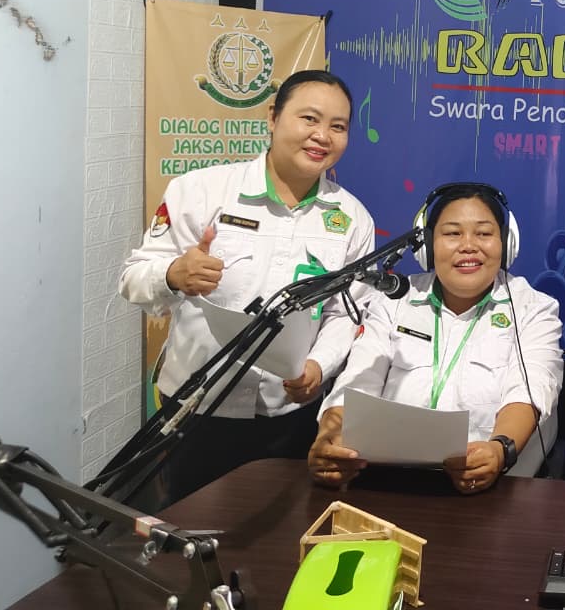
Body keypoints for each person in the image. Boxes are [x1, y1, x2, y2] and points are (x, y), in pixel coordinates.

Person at [120, 69, 376, 503]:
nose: (322, 136)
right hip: (197, 409)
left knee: (282, 528)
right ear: (273, 116)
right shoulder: (200, 191)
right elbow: (132, 279)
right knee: (191, 526)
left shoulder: (352, 218)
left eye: (338, 126)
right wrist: (173, 274)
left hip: (289, 415)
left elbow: (345, 313)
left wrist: (318, 366)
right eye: (309, 119)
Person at [308, 183, 563, 494]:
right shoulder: (393, 301)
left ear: (506, 244)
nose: (468, 246)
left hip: (493, 490)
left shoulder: (533, 309)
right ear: (427, 246)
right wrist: (330, 438)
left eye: (483, 233)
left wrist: (498, 451)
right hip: (389, 486)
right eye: (452, 233)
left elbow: (529, 392)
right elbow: (358, 382)